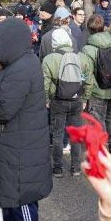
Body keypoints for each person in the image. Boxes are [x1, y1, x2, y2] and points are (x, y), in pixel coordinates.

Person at [0, 19, 52, 221]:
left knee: (22, 196)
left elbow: (5, 109)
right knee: (11, 193)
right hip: (16, 141)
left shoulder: (21, 68)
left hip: (22, 144)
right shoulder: (19, 63)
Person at [81, 14, 111, 160]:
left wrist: (86, 94)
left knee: (97, 120)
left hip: (97, 90)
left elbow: (86, 74)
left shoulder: (87, 49)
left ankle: (101, 149)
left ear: (89, 29)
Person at [41, 29, 85, 177]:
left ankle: (58, 168)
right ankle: (75, 167)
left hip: (57, 100)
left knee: (58, 134)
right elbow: (88, 79)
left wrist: (46, 99)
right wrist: (85, 98)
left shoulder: (49, 59)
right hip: (77, 99)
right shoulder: (81, 57)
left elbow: (45, 83)